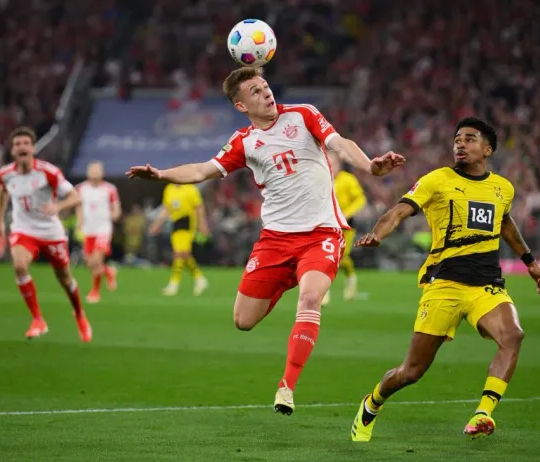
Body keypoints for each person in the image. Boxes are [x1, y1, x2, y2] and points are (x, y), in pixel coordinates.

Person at [127, 66, 405, 414]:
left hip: (321, 234)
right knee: (243, 320)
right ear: (241, 106)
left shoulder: (304, 115)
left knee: (310, 299)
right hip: (275, 240)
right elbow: (202, 171)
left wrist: (370, 165)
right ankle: (288, 277)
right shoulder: (244, 142)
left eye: (265, 86)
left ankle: (286, 387)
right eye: (255, 92)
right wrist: (161, 174)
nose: (266, 93)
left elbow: (340, 144)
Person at [350, 117, 540, 441]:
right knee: (411, 372)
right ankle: (372, 403)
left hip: (487, 285)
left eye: (469, 139)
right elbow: (399, 210)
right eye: (457, 139)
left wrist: (531, 263)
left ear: (487, 149)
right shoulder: (437, 180)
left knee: (512, 335)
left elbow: (506, 223)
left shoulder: (502, 188)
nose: (460, 143)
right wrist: (377, 234)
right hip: (444, 284)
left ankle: (483, 413)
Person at [0, 127, 92, 342]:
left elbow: (76, 197)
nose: (22, 147)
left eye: (26, 143)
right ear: (12, 151)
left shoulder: (48, 172)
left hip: (51, 232)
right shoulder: (6, 174)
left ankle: (79, 313)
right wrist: (0, 220)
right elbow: (2, 190)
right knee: (19, 266)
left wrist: (58, 207)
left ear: (33, 148)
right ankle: (38, 319)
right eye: (17, 144)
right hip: (23, 229)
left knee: (65, 280)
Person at [148, 183, 210, 296]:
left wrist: (202, 224)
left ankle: (174, 284)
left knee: (179, 253)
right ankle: (200, 278)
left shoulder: (190, 189)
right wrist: (157, 224)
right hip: (176, 223)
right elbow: (166, 209)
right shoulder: (169, 189)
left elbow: (199, 207)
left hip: (187, 222)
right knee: (184, 255)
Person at [322, 150, 367, 304]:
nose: (331, 166)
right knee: (325, 256)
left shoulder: (348, 180)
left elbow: (360, 199)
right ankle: (323, 290)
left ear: (339, 165)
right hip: (326, 223)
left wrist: (347, 213)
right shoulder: (322, 179)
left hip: (346, 225)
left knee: (341, 256)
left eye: (333, 163)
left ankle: (350, 278)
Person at [76, 161, 121, 303]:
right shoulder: (80, 188)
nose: (95, 173)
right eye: (92, 170)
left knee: (97, 260)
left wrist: (115, 214)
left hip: (103, 229)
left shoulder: (110, 189)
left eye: (98, 170)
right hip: (88, 230)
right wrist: (79, 222)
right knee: (90, 263)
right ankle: (109, 271)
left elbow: (116, 207)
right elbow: (78, 206)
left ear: (102, 172)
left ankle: (95, 292)